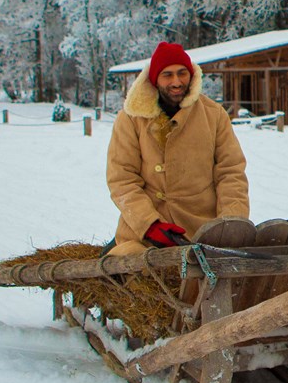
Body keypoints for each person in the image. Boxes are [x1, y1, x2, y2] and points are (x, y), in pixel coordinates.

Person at [106, 42, 249, 256]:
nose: (176, 82)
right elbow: (122, 180)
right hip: (144, 237)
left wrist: (230, 225)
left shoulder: (214, 115)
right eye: (167, 75)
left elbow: (231, 173)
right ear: (155, 79)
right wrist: (149, 224)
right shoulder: (130, 119)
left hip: (201, 233)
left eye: (182, 73)